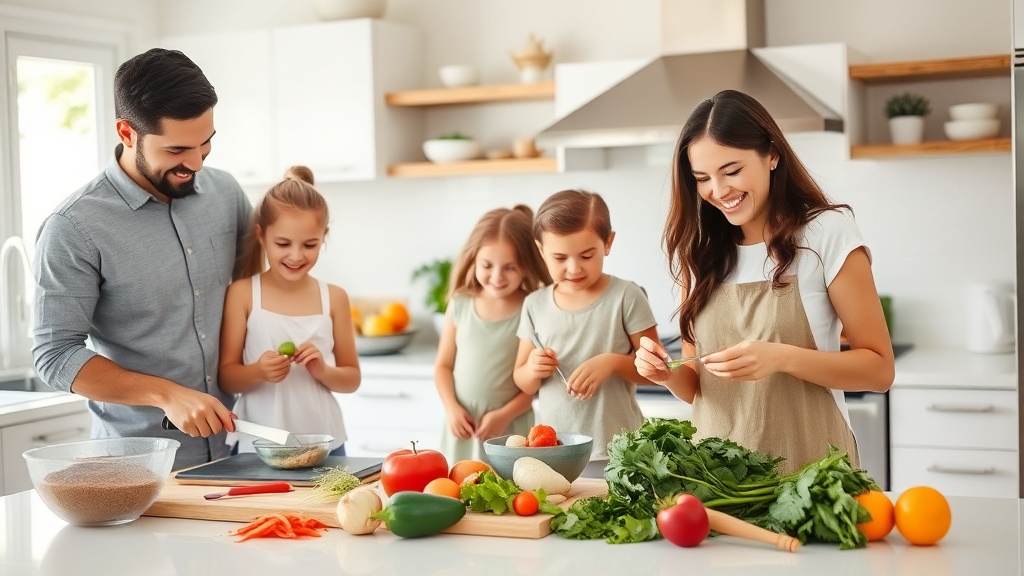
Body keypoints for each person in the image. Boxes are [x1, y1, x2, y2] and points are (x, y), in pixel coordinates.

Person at [634, 89, 895, 474]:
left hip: (812, 474)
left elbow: (879, 370)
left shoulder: (826, 233)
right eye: (702, 178)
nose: (719, 192)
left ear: (771, 154)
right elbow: (699, 388)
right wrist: (666, 374)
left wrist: (781, 357)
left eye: (732, 171)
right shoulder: (700, 251)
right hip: (717, 480)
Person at [31, 48, 253, 469]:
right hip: (136, 465)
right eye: (176, 150)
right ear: (127, 132)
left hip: (237, 450)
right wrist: (166, 394)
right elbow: (55, 354)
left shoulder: (226, 195)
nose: (195, 162)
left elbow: (254, 294)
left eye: (205, 144)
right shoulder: (74, 227)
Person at [219, 166, 360, 455]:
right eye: (283, 244)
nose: (296, 256)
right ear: (262, 236)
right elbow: (226, 377)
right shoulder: (243, 293)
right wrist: (259, 370)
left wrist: (322, 370)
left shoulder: (334, 297)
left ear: (324, 237)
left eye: (310, 245)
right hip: (258, 443)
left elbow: (352, 379)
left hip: (325, 444)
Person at [513, 190, 660, 460]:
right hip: (556, 452)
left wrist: (612, 362)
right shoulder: (534, 304)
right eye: (560, 258)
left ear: (608, 242)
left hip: (621, 450)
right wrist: (533, 369)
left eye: (586, 255)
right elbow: (522, 381)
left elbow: (656, 371)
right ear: (541, 250)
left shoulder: (626, 296)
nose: (573, 268)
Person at [435, 205, 551, 464]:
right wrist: (452, 409)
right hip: (463, 427)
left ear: (526, 266)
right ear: (473, 258)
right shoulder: (460, 303)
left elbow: (532, 386)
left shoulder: (531, 307)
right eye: (487, 265)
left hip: (509, 429)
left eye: (509, 267)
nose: (497, 277)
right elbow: (443, 366)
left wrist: (504, 415)